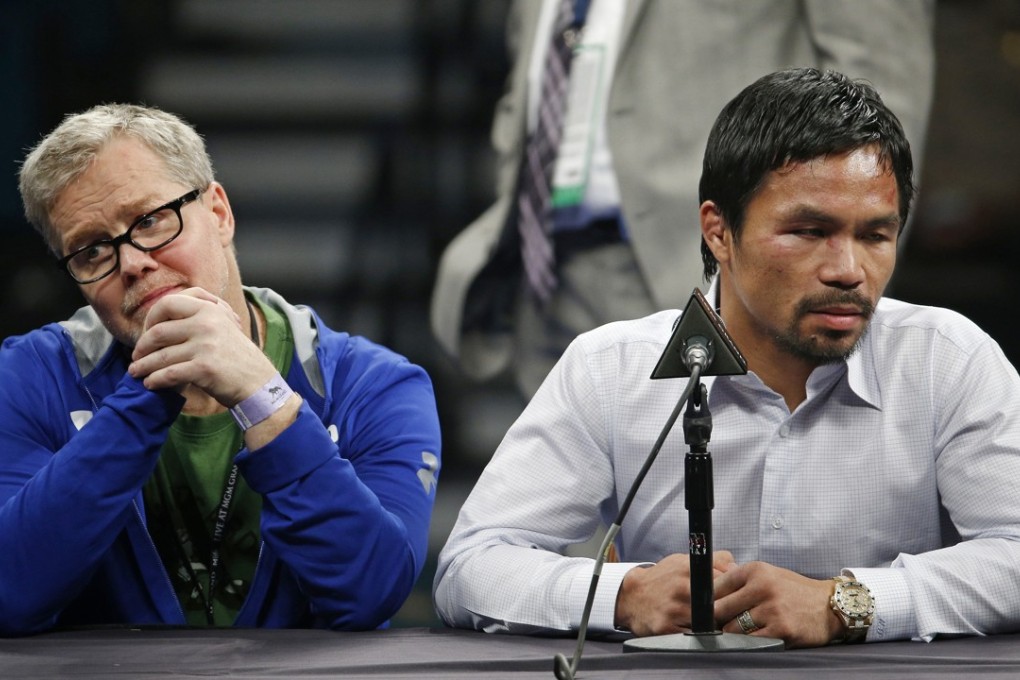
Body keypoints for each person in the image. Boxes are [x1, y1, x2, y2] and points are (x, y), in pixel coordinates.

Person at [433, 68, 1020, 647]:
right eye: (809, 231)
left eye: (874, 236)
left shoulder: (950, 361)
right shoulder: (610, 369)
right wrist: (624, 594)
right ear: (719, 231)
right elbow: (470, 567)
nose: (848, 270)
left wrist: (844, 603)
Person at [0, 104, 442, 635]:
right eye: (93, 251)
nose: (134, 261)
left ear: (219, 213)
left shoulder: (376, 385)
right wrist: (152, 384)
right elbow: (10, 593)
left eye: (150, 220)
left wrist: (262, 396)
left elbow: (372, 593)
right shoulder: (25, 378)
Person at [431, 0, 936, 401]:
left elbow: (881, 84)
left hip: (710, 266)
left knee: (732, 518)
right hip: (545, 267)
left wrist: (834, 273)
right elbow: (532, 63)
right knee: (569, 521)